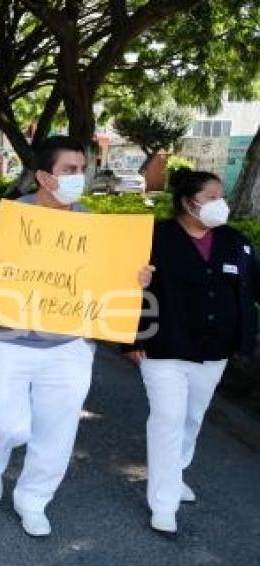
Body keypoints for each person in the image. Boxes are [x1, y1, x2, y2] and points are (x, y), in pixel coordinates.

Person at [0, 136, 154, 537]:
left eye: (80, 169)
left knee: (58, 430)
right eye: (69, 170)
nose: (78, 177)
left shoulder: (91, 223)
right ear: (42, 176)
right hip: (10, 341)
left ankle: (33, 499)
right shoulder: (10, 216)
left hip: (69, 346)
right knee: (3, 422)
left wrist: (134, 278)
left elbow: (109, 283)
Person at [125, 168, 259, 534]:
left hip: (214, 350)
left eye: (221, 196)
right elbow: (124, 285)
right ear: (188, 201)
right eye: (212, 196)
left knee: (191, 418)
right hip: (163, 345)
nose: (221, 203)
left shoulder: (235, 241)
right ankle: (163, 502)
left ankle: (175, 472)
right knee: (168, 418)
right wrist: (132, 339)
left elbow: (251, 287)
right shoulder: (156, 237)